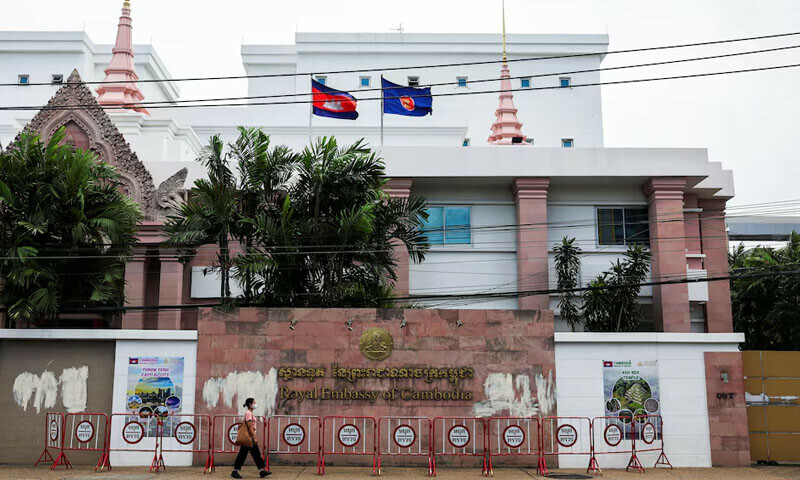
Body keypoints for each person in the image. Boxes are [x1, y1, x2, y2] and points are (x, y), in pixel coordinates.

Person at [231, 398, 270, 478]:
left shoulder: (250, 413)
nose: (255, 404)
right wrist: (254, 437)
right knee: (246, 455)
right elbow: (249, 426)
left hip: (249, 438)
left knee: (254, 454)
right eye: (254, 403)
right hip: (249, 438)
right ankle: (235, 471)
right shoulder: (248, 413)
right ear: (250, 404)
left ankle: (261, 471)